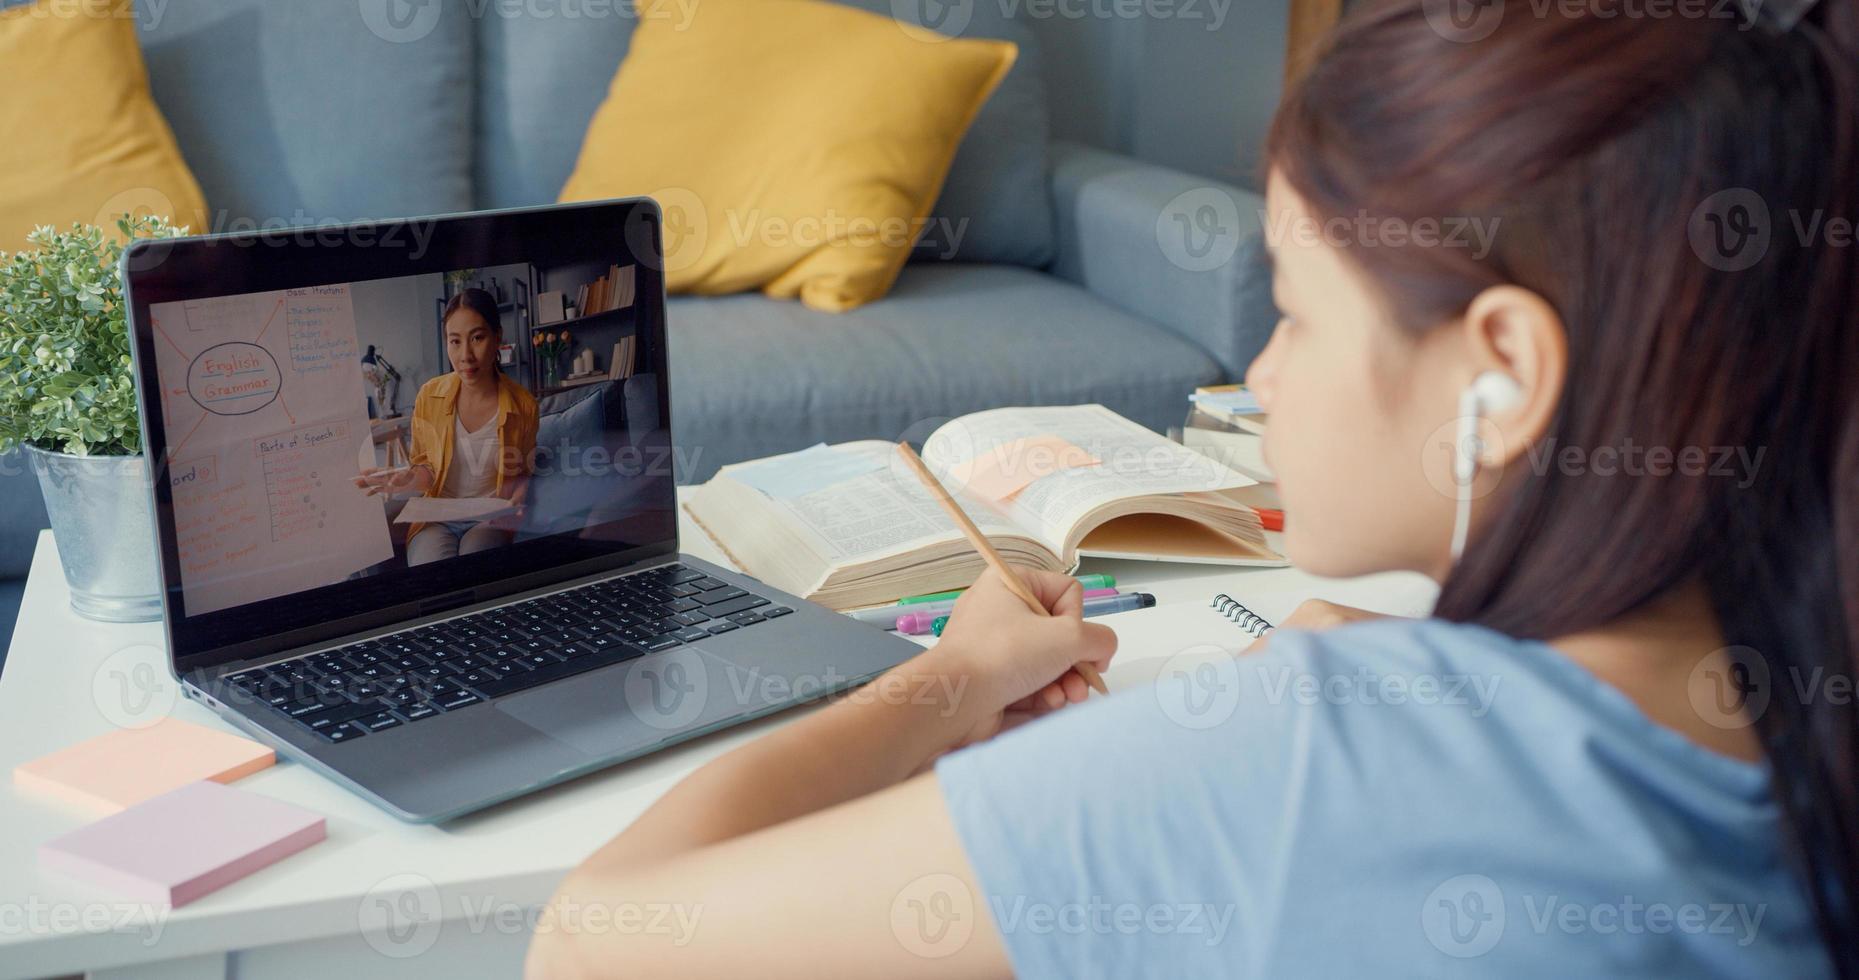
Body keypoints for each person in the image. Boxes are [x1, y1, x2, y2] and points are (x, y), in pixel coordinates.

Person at [524, 3, 1855, 976]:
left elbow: (592, 939)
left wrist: (945, 683)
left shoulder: (1310, 763)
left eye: (1296, 315)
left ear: (1501, 369)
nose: (1259, 377)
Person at [354, 288, 539, 565]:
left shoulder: (524, 405)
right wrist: (406, 477)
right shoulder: (429, 395)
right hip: (438, 516)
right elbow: (427, 470)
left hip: (489, 518)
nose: (465, 355)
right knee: (430, 571)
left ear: (497, 337)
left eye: (477, 338)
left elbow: (523, 472)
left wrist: (521, 495)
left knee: (476, 558)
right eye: (455, 341)